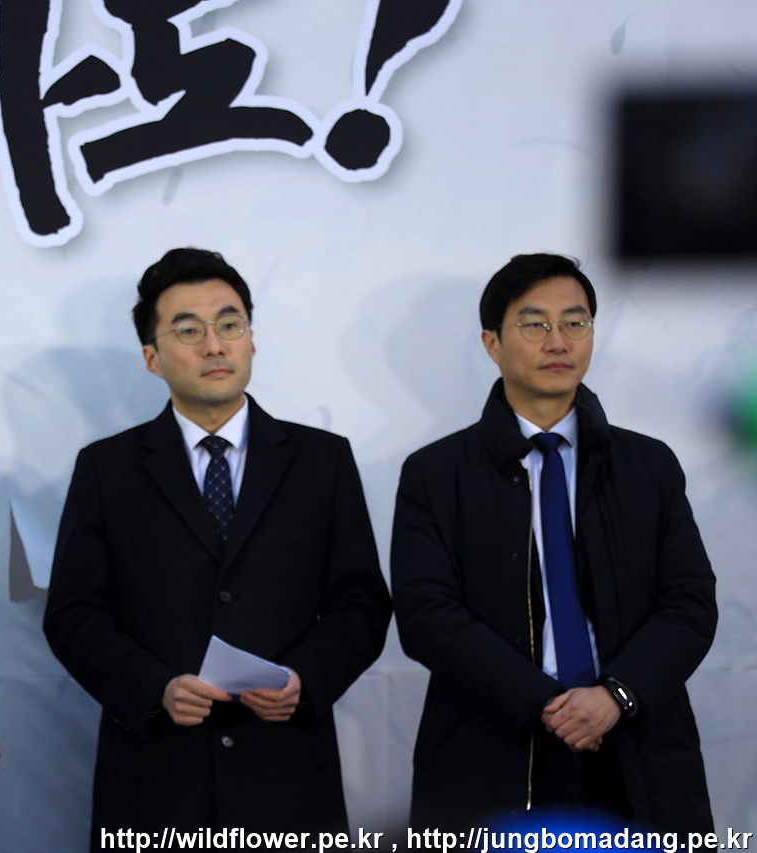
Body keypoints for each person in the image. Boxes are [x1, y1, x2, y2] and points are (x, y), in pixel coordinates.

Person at [43, 248, 392, 848]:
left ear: (251, 340)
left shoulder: (321, 461)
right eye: (188, 330)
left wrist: (305, 679)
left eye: (230, 324)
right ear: (151, 358)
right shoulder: (107, 469)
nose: (214, 345)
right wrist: (155, 688)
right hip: (157, 781)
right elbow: (74, 615)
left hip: (286, 778)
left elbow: (360, 602)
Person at [390, 254, 716, 832]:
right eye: (534, 323)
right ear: (492, 343)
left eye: (575, 322)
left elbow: (688, 603)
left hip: (631, 738)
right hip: (492, 744)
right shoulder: (436, 474)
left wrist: (614, 697)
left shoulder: (649, 466)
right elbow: (427, 616)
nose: (558, 341)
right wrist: (545, 702)